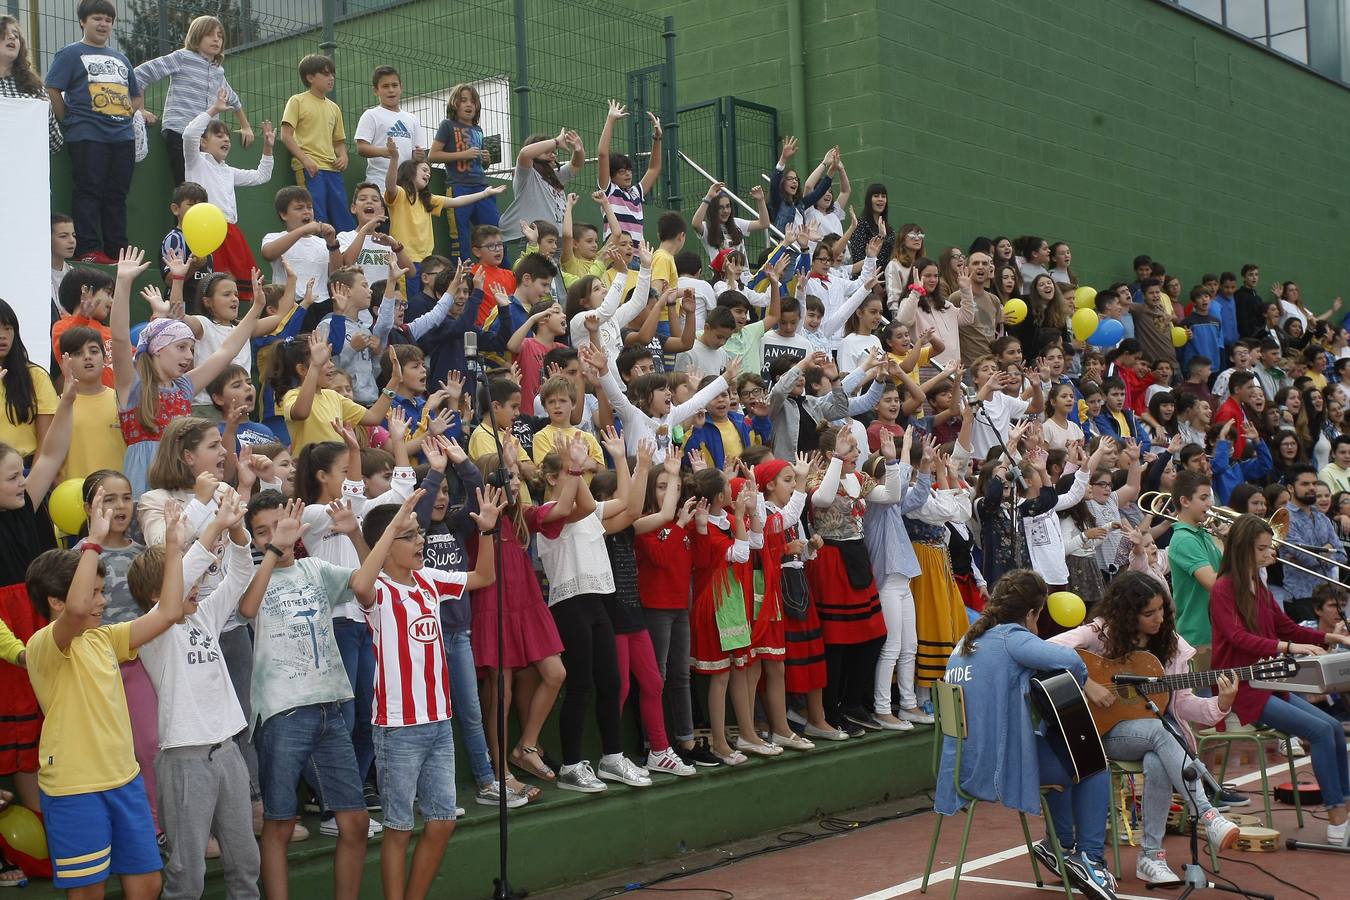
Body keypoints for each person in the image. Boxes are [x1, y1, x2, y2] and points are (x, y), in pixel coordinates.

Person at [24, 487, 186, 898]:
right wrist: (92, 542)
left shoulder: (105, 639)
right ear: (56, 602)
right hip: (75, 789)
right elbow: (79, 611)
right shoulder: (43, 645)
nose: (102, 601)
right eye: (96, 593)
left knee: (148, 883)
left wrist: (173, 547)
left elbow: (168, 612)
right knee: (89, 893)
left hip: (124, 780)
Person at [936, 569, 1119, 900]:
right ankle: (1090, 858)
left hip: (961, 763)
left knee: (1058, 751)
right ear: (1033, 613)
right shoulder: (1012, 638)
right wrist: (1085, 684)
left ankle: (1060, 846)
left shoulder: (969, 639)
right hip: (997, 763)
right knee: (1092, 764)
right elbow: (1070, 661)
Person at [1048, 571, 1240, 884]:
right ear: (1127, 614)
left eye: (1163, 610)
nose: (1160, 619)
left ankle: (1151, 857)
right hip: (1103, 732)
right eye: (1149, 613)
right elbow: (1049, 649)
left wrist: (1222, 703)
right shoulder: (1100, 634)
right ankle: (1208, 814)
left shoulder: (1172, 646)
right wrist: (1086, 682)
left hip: (1154, 738)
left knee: (1158, 754)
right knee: (1159, 733)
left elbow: (1182, 706)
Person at [358, 487, 502, 900]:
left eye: (419, 532)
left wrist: (488, 534)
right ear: (385, 547)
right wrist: (391, 526)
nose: (421, 540)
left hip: (439, 722)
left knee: (441, 821)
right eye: (410, 535)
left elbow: (484, 578)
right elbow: (362, 583)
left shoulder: (429, 580)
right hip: (398, 728)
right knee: (400, 828)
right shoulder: (379, 590)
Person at [129, 489, 261, 900]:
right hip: (184, 758)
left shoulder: (203, 614)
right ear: (157, 595)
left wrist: (238, 533)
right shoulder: (152, 630)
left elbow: (240, 576)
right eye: (188, 582)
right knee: (187, 874)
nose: (198, 586)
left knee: (246, 863)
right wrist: (214, 527)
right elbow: (184, 575)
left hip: (227, 751)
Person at [1210, 514, 1350, 847]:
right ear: (1244, 549)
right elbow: (1239, 637)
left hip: (1266, 682)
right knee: (1318, 731)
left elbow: (1286, 626)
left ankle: (1343, 804)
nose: (1269, 551)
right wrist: (1290, 647)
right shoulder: (1223, 588)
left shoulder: (1256, 586)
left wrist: (1331, 637)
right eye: (1262, 548)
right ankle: (1335, 815)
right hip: (1241, 688)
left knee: (1331, 728)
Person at [44, 0, 143, 264]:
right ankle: (88, 248)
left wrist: (124, 115)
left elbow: (136, 96)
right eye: (97, 18)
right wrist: (69, 119)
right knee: (89, 191)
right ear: (83, 22)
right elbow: (52, 88)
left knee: (117, 195)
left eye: (108, 20)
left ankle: (117, 251)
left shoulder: (121, 58)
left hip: (123, 138)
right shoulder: (70, 54)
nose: (103, 24)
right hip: (87, 136)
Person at [133, 15, 251, 186]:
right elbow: (141, 74)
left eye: (220, 35)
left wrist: (246, 126)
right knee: (188, 187)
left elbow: (233, 99)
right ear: (196, 37)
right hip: (180, 132)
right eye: (210, 34)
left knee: (207, 187)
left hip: (206, 140)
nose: (216, 39)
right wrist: (140, 110)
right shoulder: (183, 57)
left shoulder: (218, 71)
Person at [280, 54, 354, 231]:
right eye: (326, 74)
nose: (331, 78)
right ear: (310, 77)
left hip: (333, 171)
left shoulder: (334, 108)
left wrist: (343, 156)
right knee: (316, 216)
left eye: (332, 74)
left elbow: (338, 142)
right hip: (311, 170)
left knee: (343, 218)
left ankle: (346, 257)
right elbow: (286, 135)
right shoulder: (297, 101)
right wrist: (305, 160)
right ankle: (321, 255)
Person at [1165, 470, 1221, 659]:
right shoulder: (1184, 539)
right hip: (1198, 635)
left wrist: (1230, 540)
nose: (1210, 504)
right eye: (1204, 498)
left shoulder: (1203, 533)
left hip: (1216, 629)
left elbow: (1227, 571)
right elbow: (1214, 583)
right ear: (1185, 501)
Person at [1281, 464, 1347, 621]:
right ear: (1290, 487)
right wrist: (1328, 549)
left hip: (1328, 596)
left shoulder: (1322, 517)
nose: (1312, 488)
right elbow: (1308, 559)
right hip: (1301, 598)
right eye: (1305, 484)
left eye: (1314, 483)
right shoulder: (1284, 518)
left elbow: (1342, 555)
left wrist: (1318, 553)